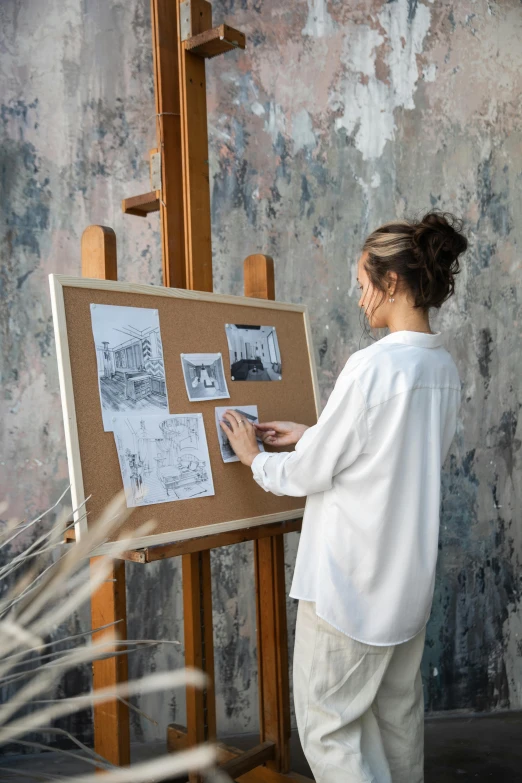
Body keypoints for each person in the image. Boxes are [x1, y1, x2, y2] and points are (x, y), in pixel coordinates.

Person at [220, 211, 468, 783]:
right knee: (397, 722)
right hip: (407, 584)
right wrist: (313, 434)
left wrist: (256, 457)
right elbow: (395, 454)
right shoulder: (442, 368)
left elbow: (311, 473)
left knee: (329, 728)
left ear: (391, 282)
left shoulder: (371, 367)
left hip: (349, 585)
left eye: (363, 284)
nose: (360, 298)